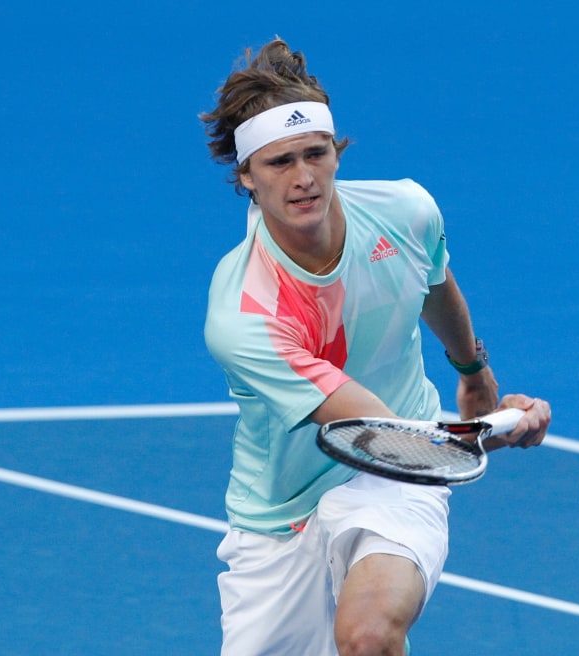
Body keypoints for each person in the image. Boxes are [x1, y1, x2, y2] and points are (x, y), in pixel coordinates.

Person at [200, 38, 551, 656]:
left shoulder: (405, 212)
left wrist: (473, 369)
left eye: (316, 154)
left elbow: (433, 284)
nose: (304, 178)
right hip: (283, 511)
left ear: (337, 154)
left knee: (366, 636)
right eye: (281, 163)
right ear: (246, 177)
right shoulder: (246, 313)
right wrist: (492, 431)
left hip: (391, 483)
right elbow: (381, 432)